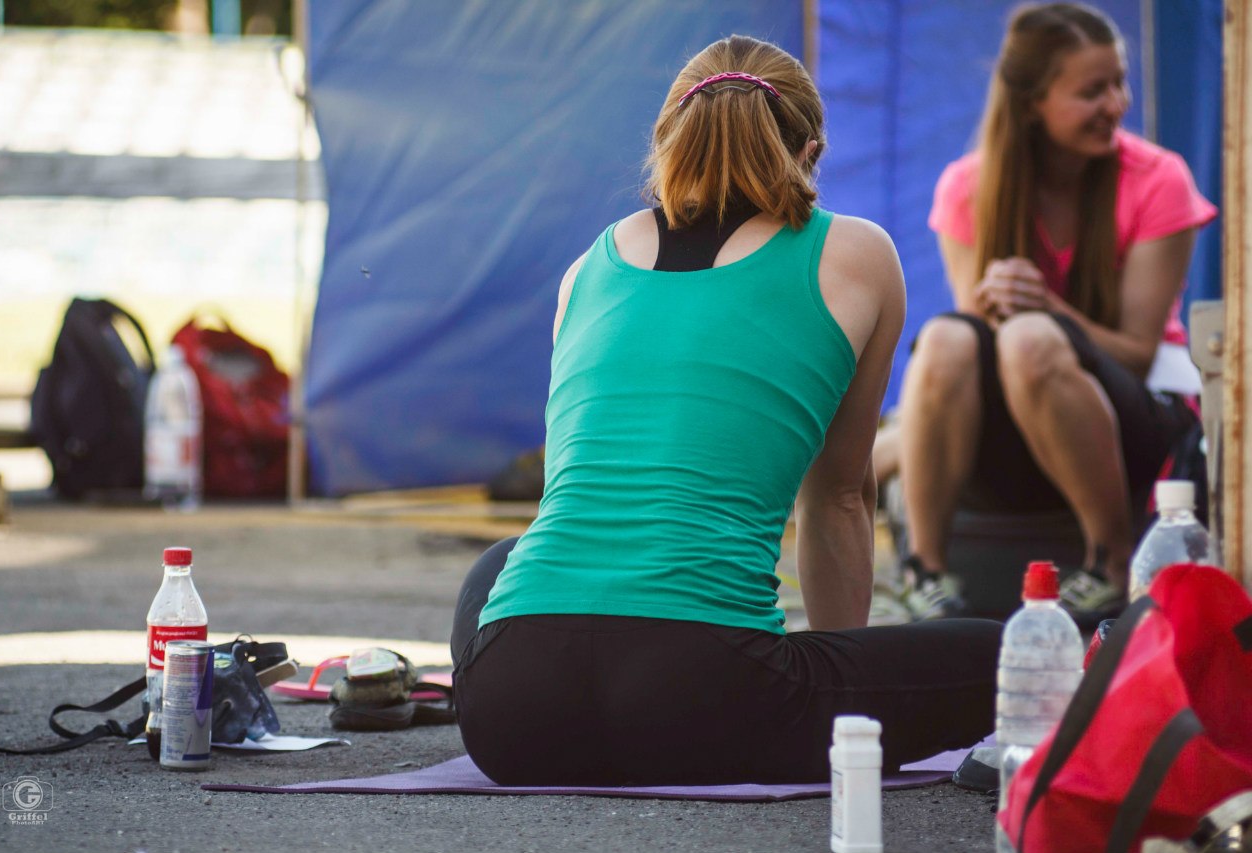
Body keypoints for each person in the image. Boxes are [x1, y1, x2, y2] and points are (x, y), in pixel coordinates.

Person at [449, 34, 1001, 786]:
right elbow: (839, 494)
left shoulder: (588, 266)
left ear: (667, 140)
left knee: (502, 567)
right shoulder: (856, 254)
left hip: (510, 711)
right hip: (705, 698)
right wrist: (843, 677)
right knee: (1021, 652)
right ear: (810, 151)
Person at [896, 2, 1217, 621]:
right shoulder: (968, 186)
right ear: (1031, 104)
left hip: (1141, 417)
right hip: (1022, 424)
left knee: (1032, 340)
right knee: (943, 339)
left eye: (1120, 83)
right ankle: (924, 569)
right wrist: (996, 303)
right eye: (1092, 91)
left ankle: (1110, 560)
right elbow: (972, 350)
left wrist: (1048, 307)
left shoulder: (1159, 180)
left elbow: (1139, 351)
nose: (1117, 103)